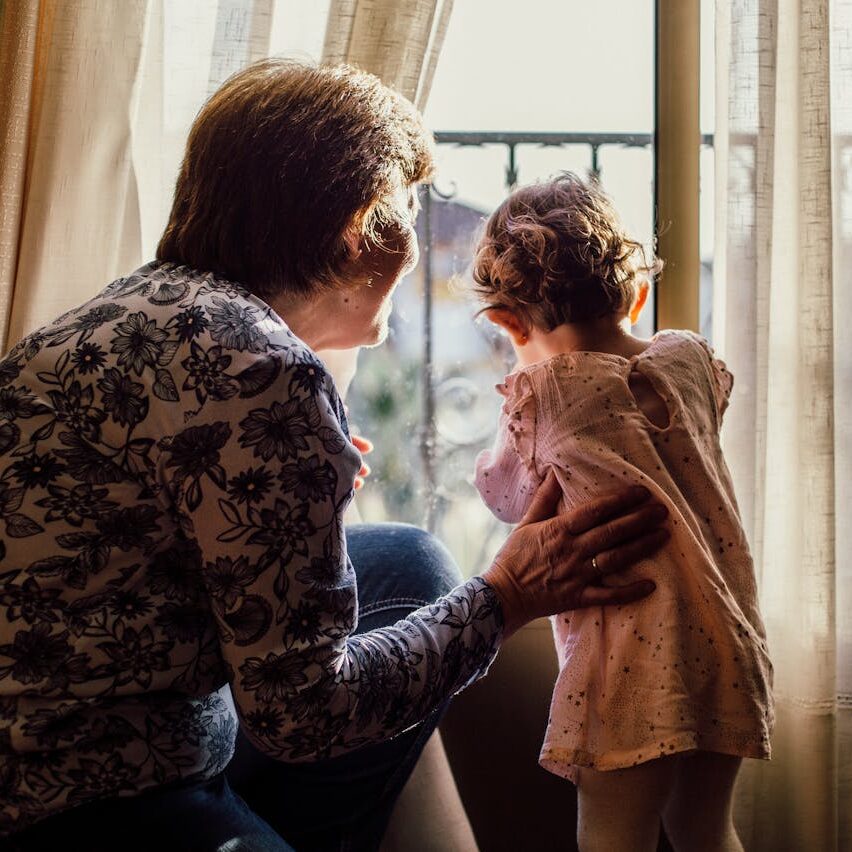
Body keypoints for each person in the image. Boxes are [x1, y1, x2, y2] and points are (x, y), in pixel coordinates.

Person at [0, 64, 671, 852]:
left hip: (57, 722)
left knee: (409, 562)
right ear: (363, 224)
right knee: (429, 606)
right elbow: (302, 714)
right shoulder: (266, 372)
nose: (417, 245)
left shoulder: (121, 310)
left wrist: (293, 495)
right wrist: (509, 595)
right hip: (90, 793)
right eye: (410, 209)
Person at [472, 173, 774, 852]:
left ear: (507, 323)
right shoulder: (689, 358)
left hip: (631, 664)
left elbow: (508, 496)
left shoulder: (542, 391)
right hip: (724, 636)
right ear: (637, 294)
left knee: (614, 835)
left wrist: (515, 418)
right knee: (705, 829)